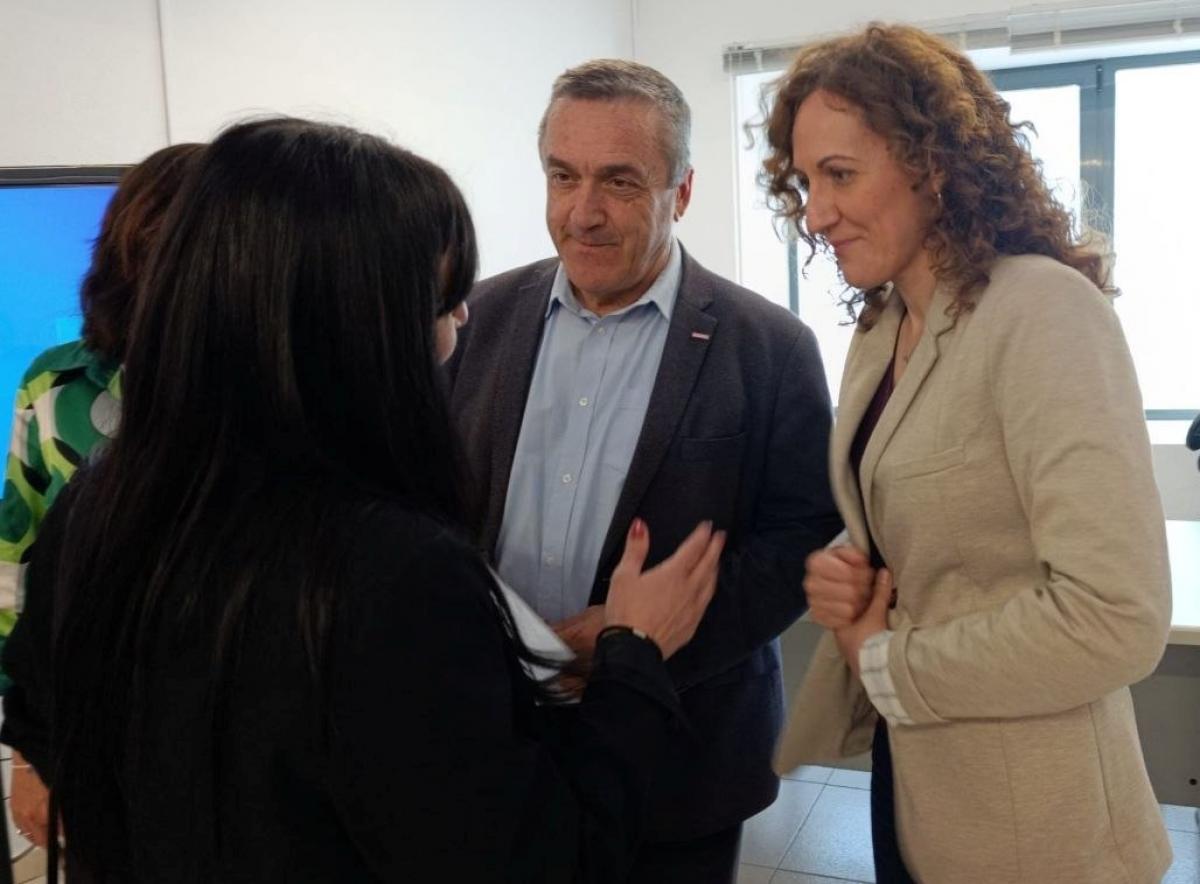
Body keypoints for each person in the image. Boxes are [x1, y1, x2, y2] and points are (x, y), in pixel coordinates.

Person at [0, 117, 727, 883]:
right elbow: (538, 855)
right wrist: (633, 653)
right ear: (354, 330)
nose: (460, 323)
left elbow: (49, 729)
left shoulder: (100, 505)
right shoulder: (390, 574)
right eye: (439, 301)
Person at [764, 23, 1173, 883]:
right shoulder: (882, 327)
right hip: (916, 789)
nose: (818, 211)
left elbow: (1116, 617)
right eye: (805, 182)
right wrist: (856, 559)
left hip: (1040, 829)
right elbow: (943, 512)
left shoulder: (1043, 312)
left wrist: (886, 658)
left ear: (935, 162)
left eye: (840, 174)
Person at [445, 59, 842, 883]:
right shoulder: (475, 321)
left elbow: (801, 538)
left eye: (620, 181)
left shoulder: (766, 347)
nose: (581, 213)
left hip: (682, 754)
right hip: (494, 738)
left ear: (682, 192)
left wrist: (633, 651)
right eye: (563, 176)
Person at [0, 141, 203, 851]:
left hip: (238, 740)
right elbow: (15, 568)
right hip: (97, 731)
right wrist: (28, 753)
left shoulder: (271, 387)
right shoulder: (56, 387)